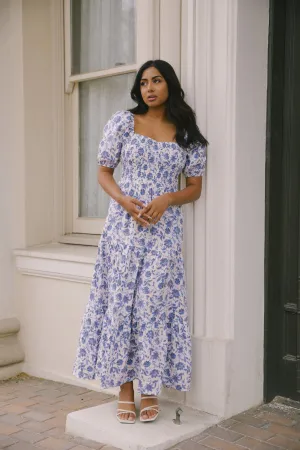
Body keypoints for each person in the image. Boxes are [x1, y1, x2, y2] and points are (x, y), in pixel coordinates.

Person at [73, 59, 208, 424]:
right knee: (121, 303)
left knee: (151, 306)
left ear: (170, 86)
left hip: (163, 232)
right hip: (123, 227)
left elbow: (194, 188)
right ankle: (125, 388)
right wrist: (122, 200)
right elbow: (103, 172)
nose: (149, 88)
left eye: (157, 81)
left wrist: (167, 199)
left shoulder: (186, 135)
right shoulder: (123, 123)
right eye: (144, 82)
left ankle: (150, 388)